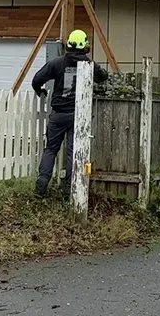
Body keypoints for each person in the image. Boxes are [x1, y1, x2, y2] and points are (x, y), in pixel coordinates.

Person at [31, 29, 108, 199]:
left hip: (58, 114)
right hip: (77, 116)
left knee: (51, 149)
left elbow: (36, 80)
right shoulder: (89, 65)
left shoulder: (57, 63)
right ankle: (68, 189)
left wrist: (40, 91)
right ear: (84, 46)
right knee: (73, 152)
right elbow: (103, 77)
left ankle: (41, 185)